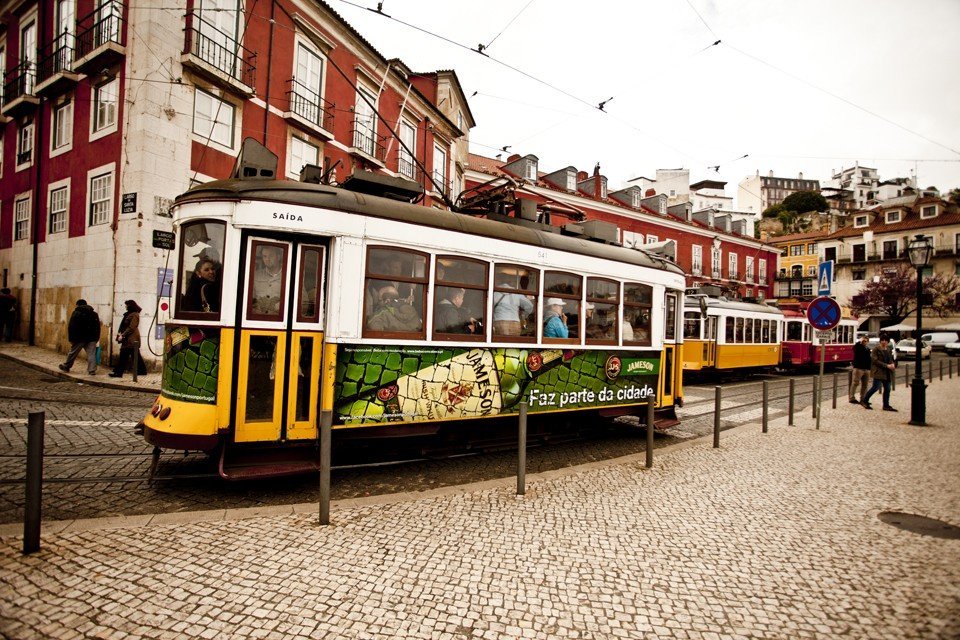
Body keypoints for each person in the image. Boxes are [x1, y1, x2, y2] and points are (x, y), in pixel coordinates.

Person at [59, 300, 101, 375]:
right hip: (91, 338)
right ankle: (92, 370)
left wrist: (71, 339)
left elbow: (71, 326)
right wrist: (96, 338)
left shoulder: (76, 313)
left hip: (79, 338)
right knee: (91, 354)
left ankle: (67, 366)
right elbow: (97, 327)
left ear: (78, 305)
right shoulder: (94, 314)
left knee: (73, 353)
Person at [110, 300, 145, 378]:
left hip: (131, 338)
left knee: (124, 354)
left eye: (126, 305)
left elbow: (132, 327)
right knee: (134, 355)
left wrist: (123, 335)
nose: (125, 306)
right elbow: (124, 326)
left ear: (130, 306)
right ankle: (142, 370)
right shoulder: (129, 314)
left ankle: (118, 372)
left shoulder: (135, 315)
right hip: (127, 338)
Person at [861, 334, 897, 411]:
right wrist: (886, 365)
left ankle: (886, 405)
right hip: (878, 372)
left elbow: (890, 359)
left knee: (887, 389)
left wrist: (892, 364)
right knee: (875, 387)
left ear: (888, 342)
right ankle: (865, 400)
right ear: (880, 341)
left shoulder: (888, 349)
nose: (884, 342)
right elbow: (875, 360)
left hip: (887, 372)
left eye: (885, 340)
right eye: (882, 340)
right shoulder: (876, 349)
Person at [848, 335, 871, 404]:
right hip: (858, 368)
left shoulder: (867, 348)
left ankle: (863, 399)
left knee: (865, 385)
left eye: (866, 341)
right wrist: (859, 342)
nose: (865, 342)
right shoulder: (858, 347)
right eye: (864, 341)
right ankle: (852, 398)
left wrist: (869, 368)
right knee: (855, 383)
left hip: (867, 369)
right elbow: (854, 348)